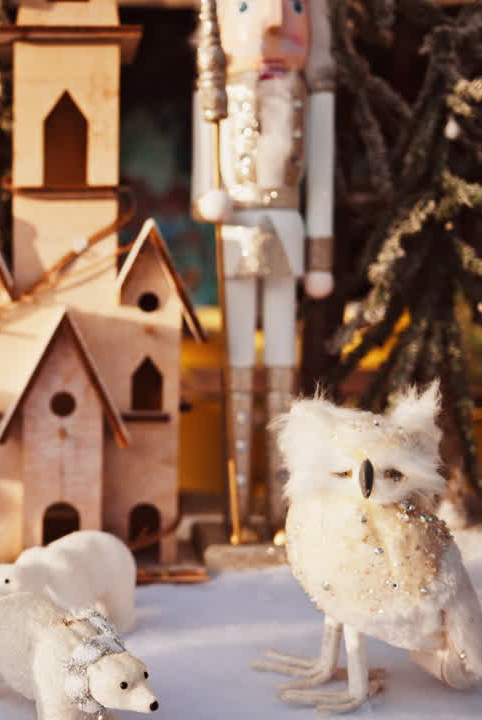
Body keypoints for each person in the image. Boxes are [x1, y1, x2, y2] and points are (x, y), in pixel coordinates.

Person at [192, 0, 335, 528]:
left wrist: (320, 256)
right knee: (236, 363)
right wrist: (209, 195)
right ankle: (238, 509)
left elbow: (319, 184)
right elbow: (203, 172)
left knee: (281, 362)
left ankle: (279, 504)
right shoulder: (213, 90)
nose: (275, 22)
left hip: (286, 228)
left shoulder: (311, 95)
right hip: (236, 229)